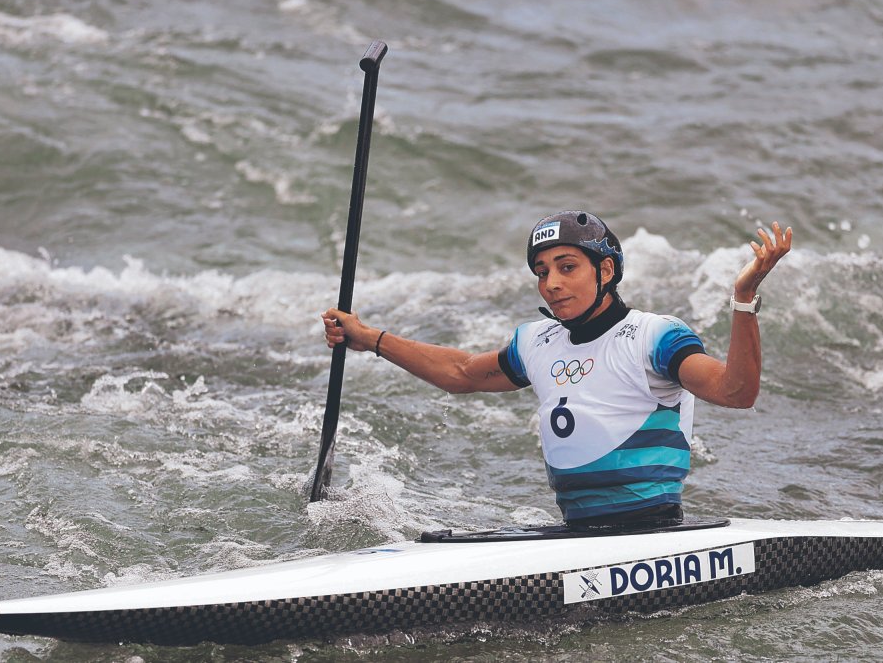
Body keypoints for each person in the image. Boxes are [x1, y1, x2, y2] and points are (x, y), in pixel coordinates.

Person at [322, 211, 792, 529]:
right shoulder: (537, 342)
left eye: (567, 267)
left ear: (606, 270)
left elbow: (736, 391)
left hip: (651, 533)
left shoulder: (654, 337)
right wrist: (369, 339)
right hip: (576, 533)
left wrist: (744, 298)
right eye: (542, 272)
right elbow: (462, 373)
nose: (552, 283)